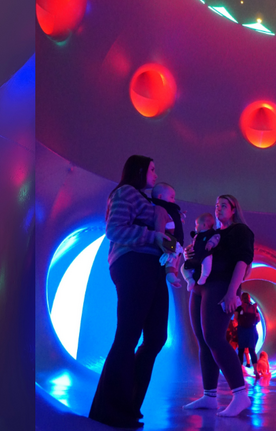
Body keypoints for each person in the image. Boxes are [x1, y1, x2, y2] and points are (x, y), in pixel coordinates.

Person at [89, 155, 174, 428]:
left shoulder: (146, 200)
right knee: (128, 335)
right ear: (138, 170)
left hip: (151, 266)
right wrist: (154, 237)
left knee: (157, 337)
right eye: (152, 168)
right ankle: (111, 410)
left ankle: (129, 405)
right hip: (133, 263)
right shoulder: (126, 192)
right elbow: (114, 230)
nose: (155, 173)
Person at [183, 195, 255, 417]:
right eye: (216, 206)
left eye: (223, 205)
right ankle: (209, 396)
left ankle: (241, 395)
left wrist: (232, 292)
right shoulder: (211, 233)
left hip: (221, 285)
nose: (218, 209)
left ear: (234, 209)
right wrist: (191, 254)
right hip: (200, 287)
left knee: (214, 338)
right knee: (204, 341)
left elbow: (243, 262)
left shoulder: (240, 231)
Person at [180, 213, 221, 290]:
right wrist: (189, 249)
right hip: (195, 256)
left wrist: (211, 243)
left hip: (204, 254)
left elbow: (216, 238)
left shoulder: (211, 233)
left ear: (204, 225)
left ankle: (204, 276)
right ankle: (189, 280)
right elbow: (192, 244)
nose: (195, 227)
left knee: (208, 259)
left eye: (196, 225)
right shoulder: (196, 236)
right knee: (183, 267)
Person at [235, 292, 261, 374]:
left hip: (242, 330)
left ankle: (239, 370)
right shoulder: (254, 307)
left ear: (242, 299)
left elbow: (235, 319)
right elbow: (259, 319)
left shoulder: (239, 308)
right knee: (252, 351)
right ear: (249, 298)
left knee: (241, 351)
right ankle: (255, 370)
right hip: (252, 331)